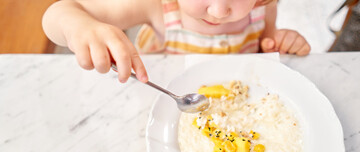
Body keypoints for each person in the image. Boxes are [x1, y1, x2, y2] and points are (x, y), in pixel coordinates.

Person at [42, 0, 311, 83]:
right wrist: (79, 26)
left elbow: (267, 45)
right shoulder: (156, 6)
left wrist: (279, 41)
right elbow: (60, 12)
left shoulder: (263, 6)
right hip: (165, 97)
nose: (218, 10)